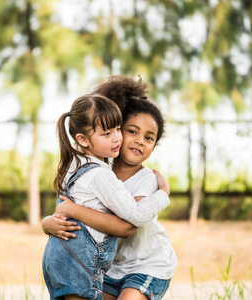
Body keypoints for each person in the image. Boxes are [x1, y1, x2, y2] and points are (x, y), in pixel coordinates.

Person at [42, 75, 177, 300]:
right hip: (109, 268)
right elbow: (64, 213)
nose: (140, 141)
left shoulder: (147, 179)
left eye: (149, 138)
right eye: (131, 131)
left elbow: (127, 226)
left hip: (147, 264)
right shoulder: (95, 173)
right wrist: (47, 224)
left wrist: (164, 194)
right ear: (116, 130)